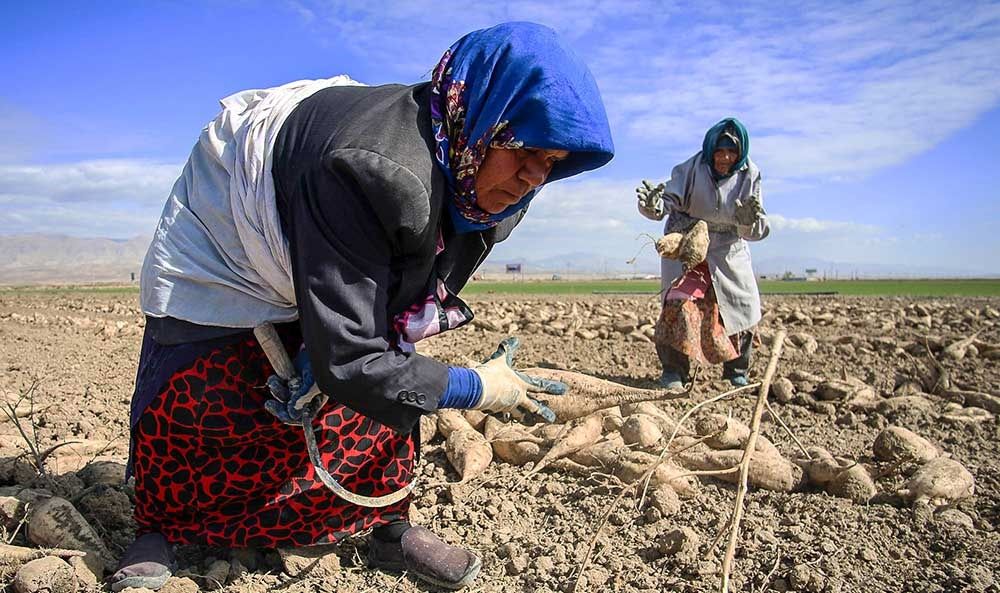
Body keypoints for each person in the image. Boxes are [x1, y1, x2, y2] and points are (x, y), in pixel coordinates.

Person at [111, 22, 613, 592]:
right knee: (208, 377)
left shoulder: (489, 192)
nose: (532, 177)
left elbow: (405, 305)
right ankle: (160, 526)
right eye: (523, 149)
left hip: (331, 224)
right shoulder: (369, 169)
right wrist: (473, 386)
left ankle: (385, 523)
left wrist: (351, 350)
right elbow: (353, 357)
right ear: (478, 119)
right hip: (232, 233)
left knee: (378, 382)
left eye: (551, 160)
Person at [636, 118, 768, 389]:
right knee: (678, 302)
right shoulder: (691, 169)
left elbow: (757, 228)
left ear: (740, 153)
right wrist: (652, 207)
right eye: (719, 152)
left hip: (728, 247)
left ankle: (736, 372)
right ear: (710, 151)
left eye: (731, 152)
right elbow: (664, 204)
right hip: (689, 242)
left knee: (741, 307)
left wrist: (746, 221)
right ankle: (673, 371)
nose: (725, 158)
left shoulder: (750, 175)